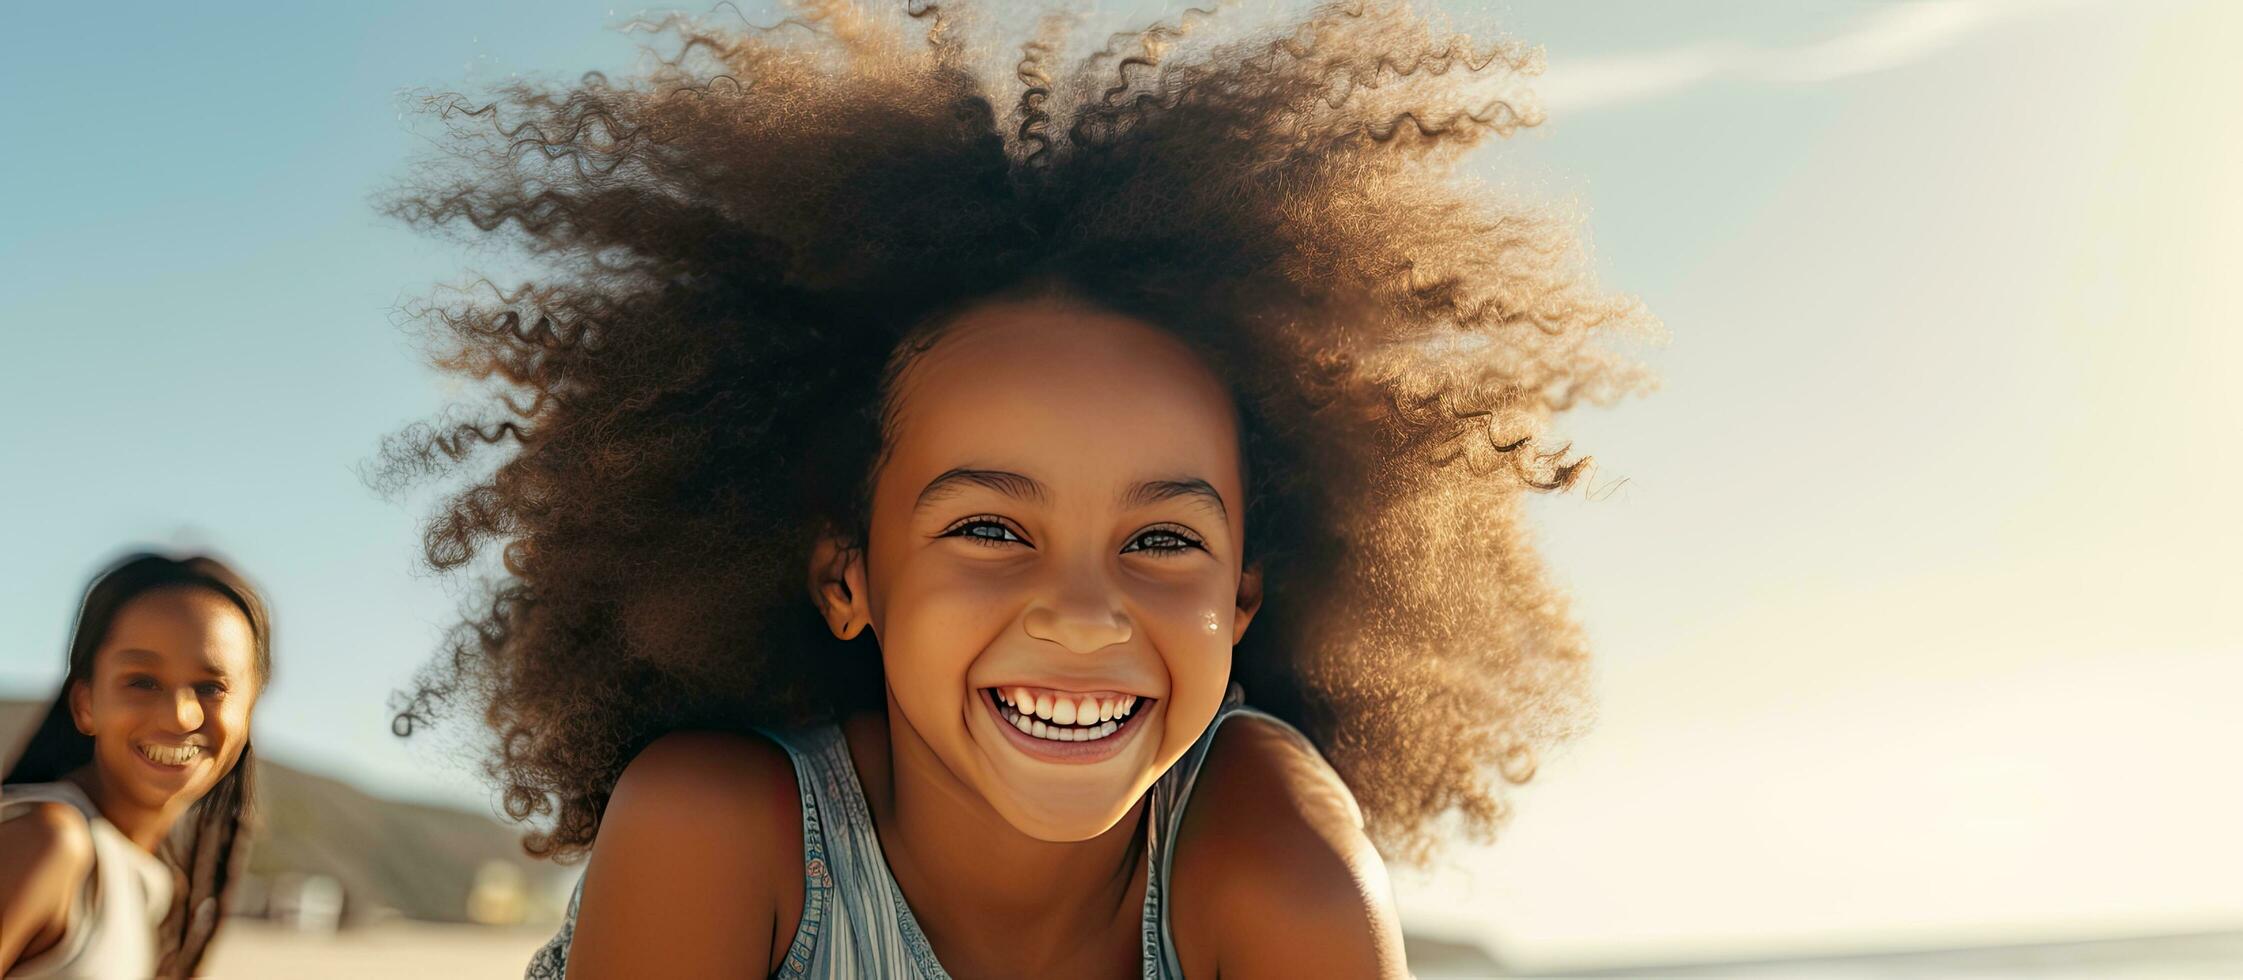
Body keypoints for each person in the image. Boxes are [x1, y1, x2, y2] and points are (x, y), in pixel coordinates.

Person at [377, 0, 1656, 975]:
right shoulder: (719, 830)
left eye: (1161, 537)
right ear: (847, 576)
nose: (1085, 611)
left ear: (1246, 597)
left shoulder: (1272, 868)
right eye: (989, 525)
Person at [0, 553, 270, 979]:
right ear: (86, 703)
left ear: (250, 708)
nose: (180, 716)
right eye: (143, 681)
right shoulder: (51, 843)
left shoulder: (156, 884)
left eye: (210, 687)